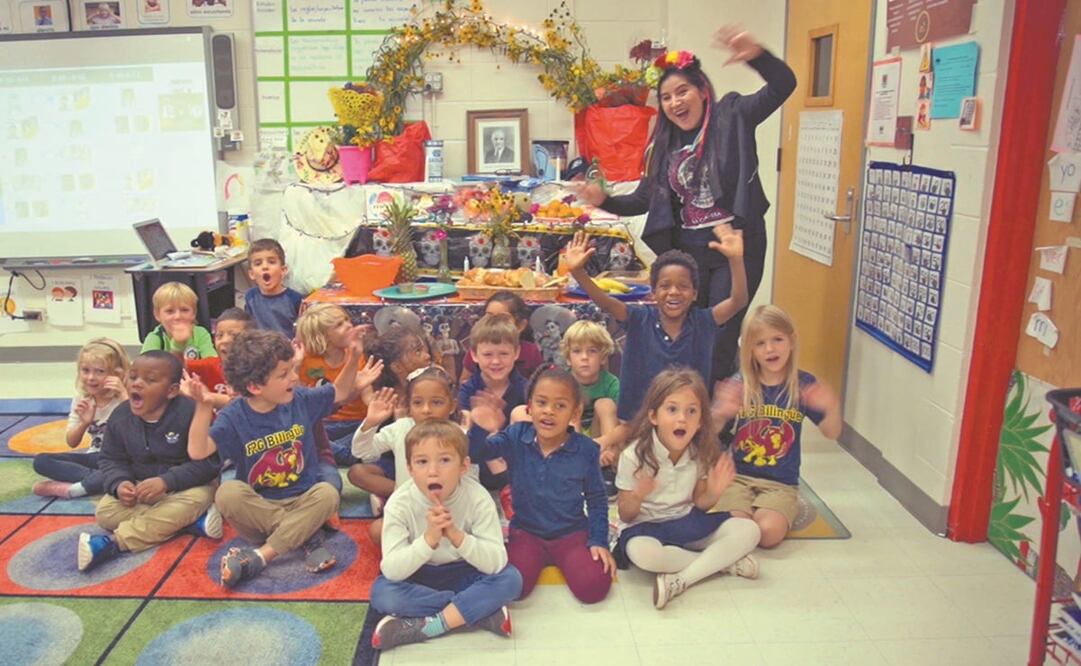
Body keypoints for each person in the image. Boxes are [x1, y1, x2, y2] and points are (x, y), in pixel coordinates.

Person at [575, 26, 795, 382]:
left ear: (703, 91)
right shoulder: (663, 143)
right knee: (687, 332)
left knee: (720, 335)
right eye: (666, 97)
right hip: (689, 254)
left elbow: (783, 85)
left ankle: (714, 424)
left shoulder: (733, 115)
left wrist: (758, 56)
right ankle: (687, 411)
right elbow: (646, 199)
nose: (676, 102)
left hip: (735, 247)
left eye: (683, 92)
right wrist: (607, 200)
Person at [187, 329, 382, 587]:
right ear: (255, 387)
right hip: (259, 510)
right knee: (227, 492)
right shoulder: (234, 415)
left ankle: (262, 556)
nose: (294, 376)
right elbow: (198, 451)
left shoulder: (299, 399)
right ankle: (306, 536)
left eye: (292, 369)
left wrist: (354, 355)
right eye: (284, 374)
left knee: (327, 493)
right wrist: (203, 406)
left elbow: (340, 392)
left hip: (304, 501)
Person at [564, 228, 746, 427]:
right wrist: (578, 272)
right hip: (636, 425)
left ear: (694, 294)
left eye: (683, 286)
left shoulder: (704, 322)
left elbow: (738, 301)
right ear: (653, 293)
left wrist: (736, 260)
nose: (673, 292)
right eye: (665, 286)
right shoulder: (638, 318)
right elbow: (606, 303)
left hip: (685, 425)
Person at [615, 368, 760, 610]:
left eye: (691, 411)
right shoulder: (633, 455)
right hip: (645, 527)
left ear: (701, 420)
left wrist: (714, 493)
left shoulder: (700, 451)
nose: (682, 418)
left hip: (686, 521)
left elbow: (700, 503)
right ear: (653, 416)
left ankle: (682, 579)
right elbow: (625, 514)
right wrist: (638, 495)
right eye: (672, 410)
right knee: (643, 555)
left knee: (749, 530)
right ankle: (723, 564)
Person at [370, 420, 522, 650]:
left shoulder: (478, 498)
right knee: (382, 593)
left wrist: (457, 536)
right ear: (410, 468)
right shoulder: (400, 504)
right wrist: (429, 540)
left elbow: (495, 562)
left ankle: (433, 625)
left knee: (511, 580)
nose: (433, 471)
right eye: (422, 462)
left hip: (466, 570)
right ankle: (478, 613)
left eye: (445, 460)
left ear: (463, 466)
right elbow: (391, 569)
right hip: (420, 574)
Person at [470, 365, 614, 604]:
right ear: (529, 406)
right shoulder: (516, 435)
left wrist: (598, 539)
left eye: (560, 405)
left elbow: (596, 498)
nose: (549, 412)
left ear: (575, 413)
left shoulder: (586, 449)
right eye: (542, 403)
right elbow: (476, 453)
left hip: (572, 533)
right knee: (514, 587)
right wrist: (481, 428)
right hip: (527, 532)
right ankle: (531, 557)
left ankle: (571, 556)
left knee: (594, 588)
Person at [77, 352, 221, 571]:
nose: (137, 384)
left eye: (150, 380)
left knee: (198, 497)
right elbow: (110, 458)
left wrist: (166, 481)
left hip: (189, 488)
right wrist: (120, 483)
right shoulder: (121, 416)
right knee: (105, 513)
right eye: (133, 377)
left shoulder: (189, 412)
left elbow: (208, 465)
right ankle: (190, 522)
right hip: (141, 489)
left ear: (171, 390)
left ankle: (114, 543)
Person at [711, 305, 842, 547]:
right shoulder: (740, 384)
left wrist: (831, 407)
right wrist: (720, 413)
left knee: (768, 534)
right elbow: (708, 435)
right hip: (737, 477)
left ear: (791, 341)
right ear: (750, 350)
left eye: (777, 340)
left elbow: (832, 432)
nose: (770, 349)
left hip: (780, 483)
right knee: (734, 527)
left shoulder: (803, 385)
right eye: (760, 343)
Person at [350, 366, 465, 544]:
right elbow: (362, 452)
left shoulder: (459, 434)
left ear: (452, 406)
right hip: (407, 510)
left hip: (447, 513)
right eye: (418, 403)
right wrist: (371, 422)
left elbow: (469, 478)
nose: (426, 410)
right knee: (377, 531)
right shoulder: (401, 428)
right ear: (409, 405)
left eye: (436, 402)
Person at [33, 338, 130, 499]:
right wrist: (84, 422)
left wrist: (124, 398)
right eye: (85, 370)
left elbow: (143, 432)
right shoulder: (82, 398)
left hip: (124, 459)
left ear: (117, 374)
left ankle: (74, 489)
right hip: (96, 457)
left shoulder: (128, 395)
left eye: (100, 371)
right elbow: (72, 442)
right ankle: (99, 480)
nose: (91, 377)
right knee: (41, 461)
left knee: (132, 471)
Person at [296, 304, 370, 465]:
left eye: (346, 320)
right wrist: (295, 365)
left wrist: (378, 411)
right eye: (339, 325)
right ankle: (344, 454)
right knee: (302, 434)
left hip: (355, 423)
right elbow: (297, 397)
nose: (349, 325)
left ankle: (331, 452)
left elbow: (367, 393)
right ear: (323, 336)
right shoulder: (306, 359)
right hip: (324, 423)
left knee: (368, 434)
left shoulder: (355, 352)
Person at [459, 291, 543, 385]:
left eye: (503, 318)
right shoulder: (480, 349)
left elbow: (538, 384)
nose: (496, 324)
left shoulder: (531, 351)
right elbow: (464, 381)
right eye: (489, 317)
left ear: (520, 325)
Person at [184, 307, 253, 411]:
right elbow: (175, 367)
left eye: (234, 335)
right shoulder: (210, 365)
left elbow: (245, 405)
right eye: (219, 335)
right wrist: (178, 346)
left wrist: (205, 396)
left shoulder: (258, 371)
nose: (224, 340)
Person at [244, 238, 305, 337]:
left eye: (271, 262)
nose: (265, 267)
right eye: (258, 264)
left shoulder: (295, 299)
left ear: (283, 270)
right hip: (260, 349)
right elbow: (248, 328)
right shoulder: (251, 297)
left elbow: (303, 332)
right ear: (251, 274)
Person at [141, 282, 216, 360]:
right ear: (157, 314)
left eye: (184, 310)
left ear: (194, 313)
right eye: (169, 311)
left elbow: (212, 363)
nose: (178, 316)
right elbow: (146, 368)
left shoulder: (201, 334)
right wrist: (178, 346)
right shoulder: (155, 337)